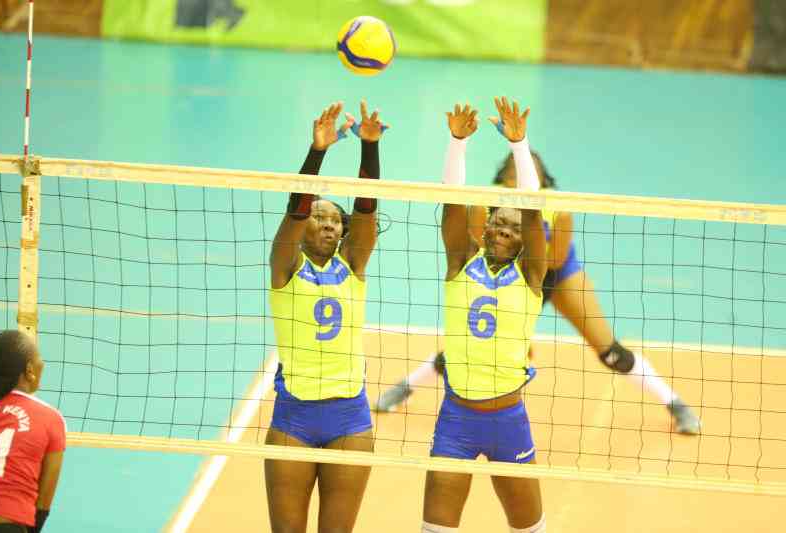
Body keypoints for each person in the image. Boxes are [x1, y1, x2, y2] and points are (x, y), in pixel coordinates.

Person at [376, 139, 701, 436]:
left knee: (610, 352)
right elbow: (478, 248)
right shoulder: (484, 203)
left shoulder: (558, 208)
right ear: (503, 177)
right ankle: (405, 387)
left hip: (556, 277)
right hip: (504, 276)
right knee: (471, 345)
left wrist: (524, 298)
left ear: (541, 179)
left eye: (530, 169)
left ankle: (675, 404)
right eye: (514, 169)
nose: (521, 172)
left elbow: (554, 260)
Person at [421, 97, 547, 533]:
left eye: (514, 228)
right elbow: (452, 203)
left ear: (524, 240)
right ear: (486, 224)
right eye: (497, 221)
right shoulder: (461, 260)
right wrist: (457, 143)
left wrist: (519, 145)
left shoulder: (531, 274)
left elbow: (533, 208)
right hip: (457, 418)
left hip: (509, 421)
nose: (503, 230)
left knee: (528, 528)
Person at [266, 100, 387, 533]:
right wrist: (317, 151)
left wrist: (369, 147)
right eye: (320, 217)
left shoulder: (353, 265)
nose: (330, 224)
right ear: (304, 227)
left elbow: (366, 211)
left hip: (349, 418)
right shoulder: (285, 267)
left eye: (336, 220)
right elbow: (295, 210)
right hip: (293, 417)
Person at [0, 330, 66, 533]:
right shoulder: (51, 418)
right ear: (30, 369)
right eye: (39, 356)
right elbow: (43, 504)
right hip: (6, 524)